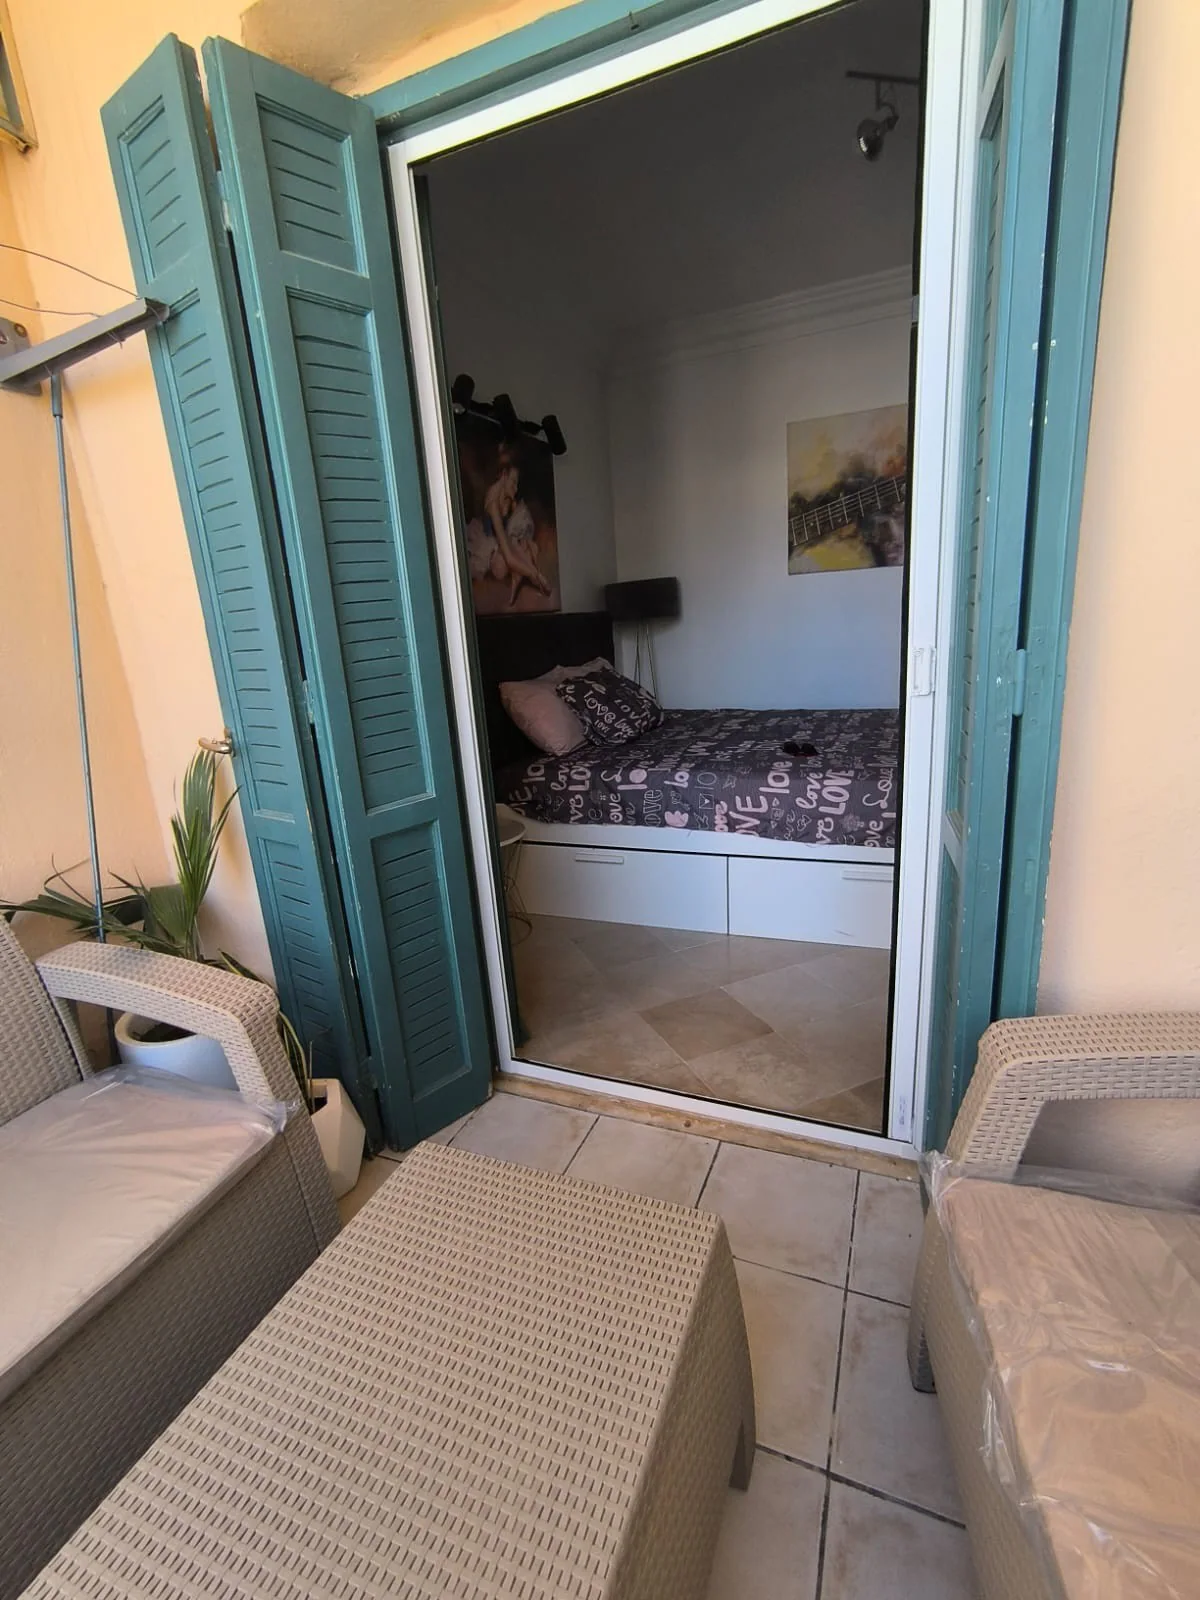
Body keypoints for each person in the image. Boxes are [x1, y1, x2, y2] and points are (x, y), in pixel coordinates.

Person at [483, 447, 552, 606]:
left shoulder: (509, 499)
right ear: (503, 476)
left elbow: (513, 534)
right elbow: (508, 554)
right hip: (492, 547)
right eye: (513, 482)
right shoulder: (492, 504)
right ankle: (528, 579)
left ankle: (517, 581)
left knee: (526, 546)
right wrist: (535, 575)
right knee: (506, 561)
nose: (516, 488)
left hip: (506, 543)